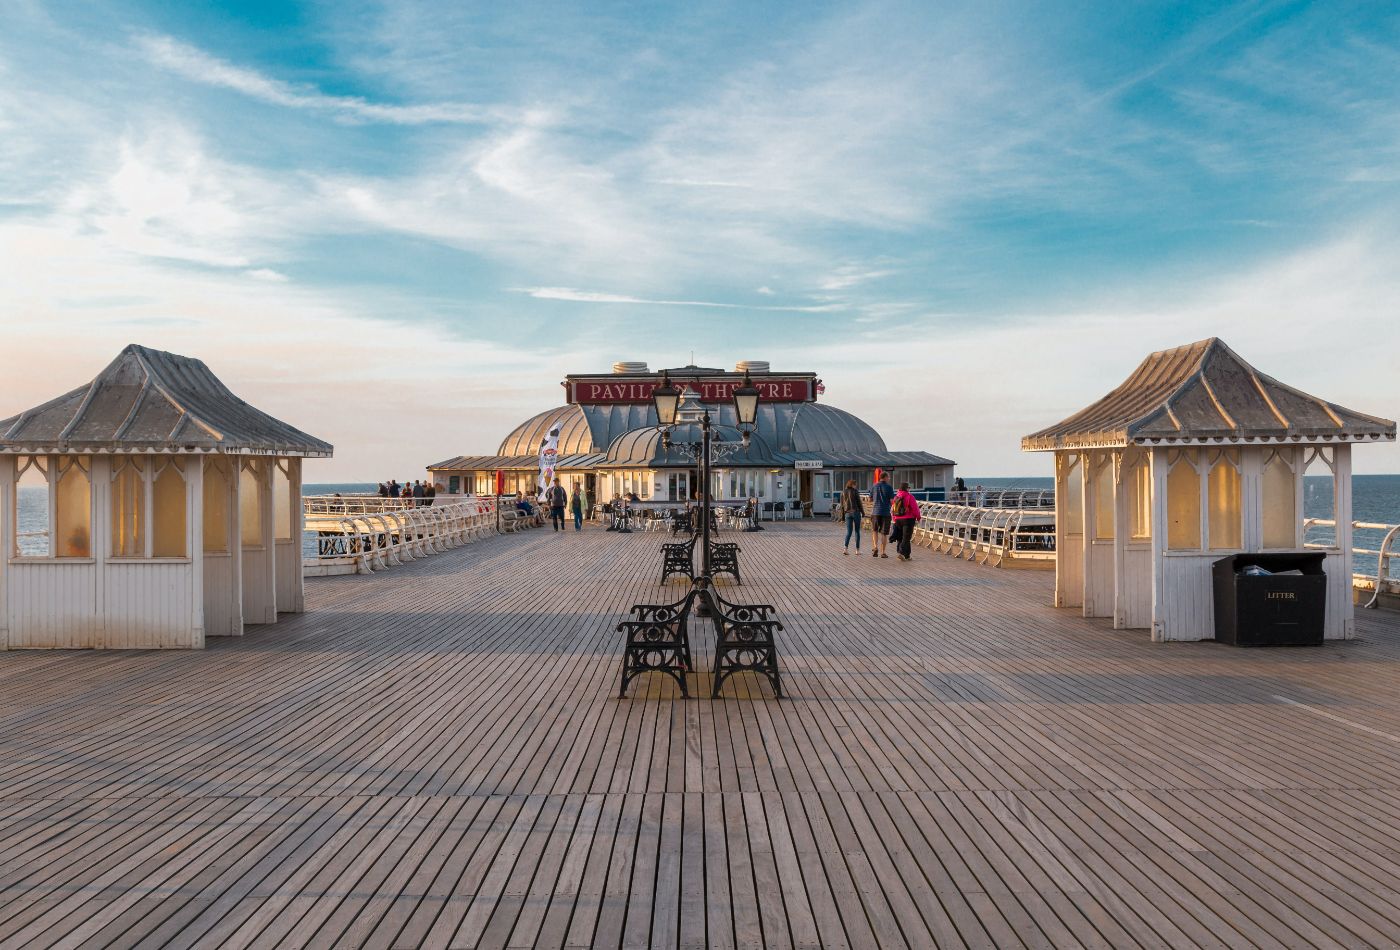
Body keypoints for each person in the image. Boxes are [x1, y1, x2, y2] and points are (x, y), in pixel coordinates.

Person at [892, 481, 922, 561]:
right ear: (906, 488)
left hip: (898, 519)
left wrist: (894, 518)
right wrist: (918, 517)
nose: (909, 489)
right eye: (909, 488)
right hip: (908, 520)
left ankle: (907, 556)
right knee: (906, 537)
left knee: (900, 537)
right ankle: (901, 553)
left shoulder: (896, 497)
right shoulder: (910, 496)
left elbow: (893, 509)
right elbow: (915, 509)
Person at [869, 472, 894, 559]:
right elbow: (891, 501)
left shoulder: (874, 486)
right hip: (886, 513)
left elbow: (870, 499)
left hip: (875, 512)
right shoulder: (889, 487)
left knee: (875, 531)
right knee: (884, 533)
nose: (889, 479)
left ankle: (875, 547)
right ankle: (883, 552)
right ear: (885, 477)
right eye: (889, 477)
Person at [839, 479, 864, 555]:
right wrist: (863, 512)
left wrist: (842, 517)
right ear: (852, 484)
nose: (856, 486)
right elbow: (859, 503)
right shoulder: (855, 491)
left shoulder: (843, 492)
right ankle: (857, 550)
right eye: (855, 484)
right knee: (857, 531)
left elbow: (842, 506)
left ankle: (845, 549)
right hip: (855, 512)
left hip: (847, 513)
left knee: (849, 532)